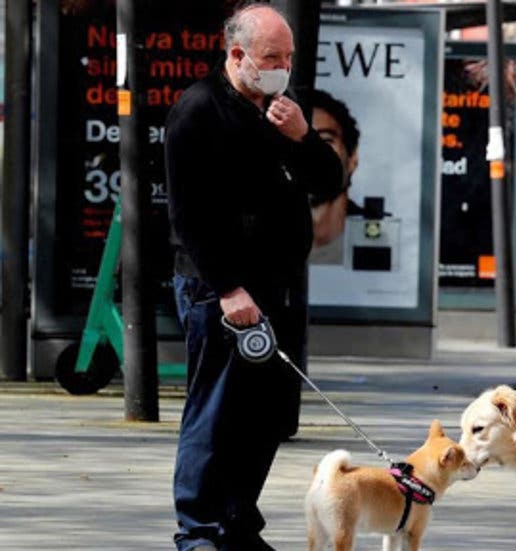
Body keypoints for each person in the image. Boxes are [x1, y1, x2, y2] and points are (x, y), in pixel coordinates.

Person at [164, 4, 344, 550]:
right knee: (216, 414)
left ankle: (238, 523)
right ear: (237, 55)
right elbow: (187, 215)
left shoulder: (281, 111)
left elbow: (328, 180)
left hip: (279, 287)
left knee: (266, 416)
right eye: (271, 57)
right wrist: (226, 288)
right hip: (224, 291)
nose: (281, 67)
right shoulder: (198, 111)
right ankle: (199, 531)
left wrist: (304, 137)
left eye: (287, 57)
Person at [308, 89, 361, 265]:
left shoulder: (376, 234)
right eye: (294, 140)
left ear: (352, 159)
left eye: (326, 140)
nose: (311, 153)